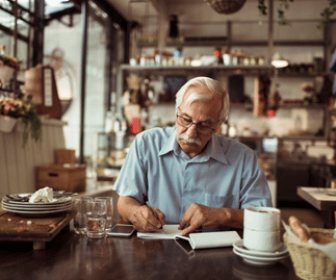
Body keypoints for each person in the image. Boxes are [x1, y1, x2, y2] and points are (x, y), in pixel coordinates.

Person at [114, 76, 272, 235]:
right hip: (156, 248)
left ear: (219, 124)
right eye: (185, 119)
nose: (191, 133)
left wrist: (223, 215)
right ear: (177, 111)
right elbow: (125, 201)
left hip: (217, 254)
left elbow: (265, 218)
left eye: (204, 125)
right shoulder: (146, 144)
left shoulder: (244, 158)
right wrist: (135, 213)